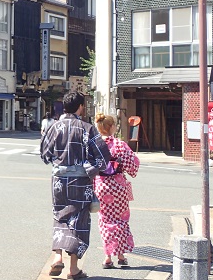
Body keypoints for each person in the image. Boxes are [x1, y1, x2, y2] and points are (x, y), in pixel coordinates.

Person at [40, 91, 111, 280]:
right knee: (79, 221)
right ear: (80, 107)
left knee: (59, 216)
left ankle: (57, 257)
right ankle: (73, 269)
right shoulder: (87, 129)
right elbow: (103, 158)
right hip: (81, 182)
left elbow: (44, 154)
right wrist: (89, 169)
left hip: (59, 182)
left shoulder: (54, 127)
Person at [94, 113, 140, 269]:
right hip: (118, 186)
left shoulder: (94, 144)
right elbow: (133, 163)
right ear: (112, 127)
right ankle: (121, 256)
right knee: (121, 219)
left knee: (105, 221)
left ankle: (107, 257)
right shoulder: (119, 145)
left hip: (101, 185)